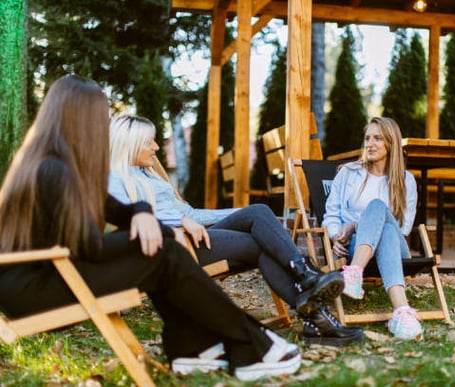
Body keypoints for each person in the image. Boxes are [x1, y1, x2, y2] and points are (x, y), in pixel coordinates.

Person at [0, 74, 302, 382]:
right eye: (100, 119)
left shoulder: (58, 164)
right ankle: (251, 343)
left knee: (161, 248)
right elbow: (87, 246)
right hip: (34, 291)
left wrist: (143, 213)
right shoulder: (53, 171)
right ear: (82, 120)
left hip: (55, 272)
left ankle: (193, 347)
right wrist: (161, 232)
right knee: (163, 250)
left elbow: (116, 209)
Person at [107, 115, 364, 347]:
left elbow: (194, 215)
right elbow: (130, 217)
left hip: (195, 237)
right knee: (259, 242)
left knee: (259, 212)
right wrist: (180, 220)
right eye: (149, 142)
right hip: (177, 247)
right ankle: (313, 303)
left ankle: (309, 290)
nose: (155, 148)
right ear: (128, 144)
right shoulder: (115, 178)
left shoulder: (149, 175)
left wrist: (241, 213)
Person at [322, 117, 422, 341]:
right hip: (356, 246)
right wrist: (336, 236)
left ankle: (354, 273)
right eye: (367, 138)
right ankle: (402, 312)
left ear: (391, 143)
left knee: (378, 210)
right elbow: (331, 214)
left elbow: (404, 228)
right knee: (383, 230)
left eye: (377, 138)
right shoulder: (348, 172)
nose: (370, 144)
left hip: (397, 249)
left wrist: (355, 225)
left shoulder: (406, 180)